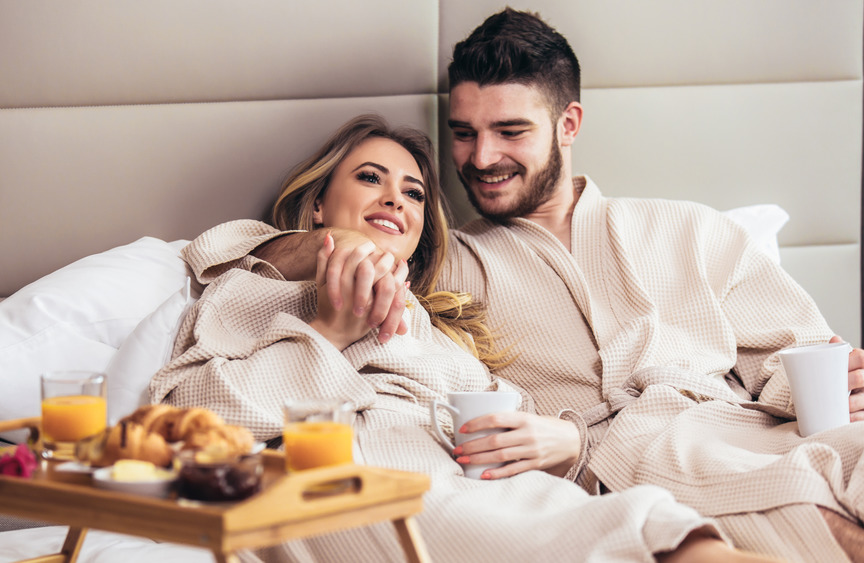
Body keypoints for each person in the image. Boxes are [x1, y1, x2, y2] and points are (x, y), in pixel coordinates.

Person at [176, 9, 864, 563]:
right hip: (627, 466)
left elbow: (794, 358)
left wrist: (831, 379)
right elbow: (238, 254)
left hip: (758, 430)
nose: (481, 158)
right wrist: (336, 246)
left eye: (510, 130)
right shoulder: (443, 269)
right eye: (464, 134)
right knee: (810, 517)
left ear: (569, 125)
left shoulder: (692, 230)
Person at [149, 114, 778, 562]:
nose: (396, 198)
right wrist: (330, 332)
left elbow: (502, 421)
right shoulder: (261, 287)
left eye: (414, 192)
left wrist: (550, 442)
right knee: (632, 539)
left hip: (482, 484)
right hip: (355, 484)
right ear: (317, 205)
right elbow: (183, 416)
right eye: (370, 178)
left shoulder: (431, 324)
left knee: (675, 531)